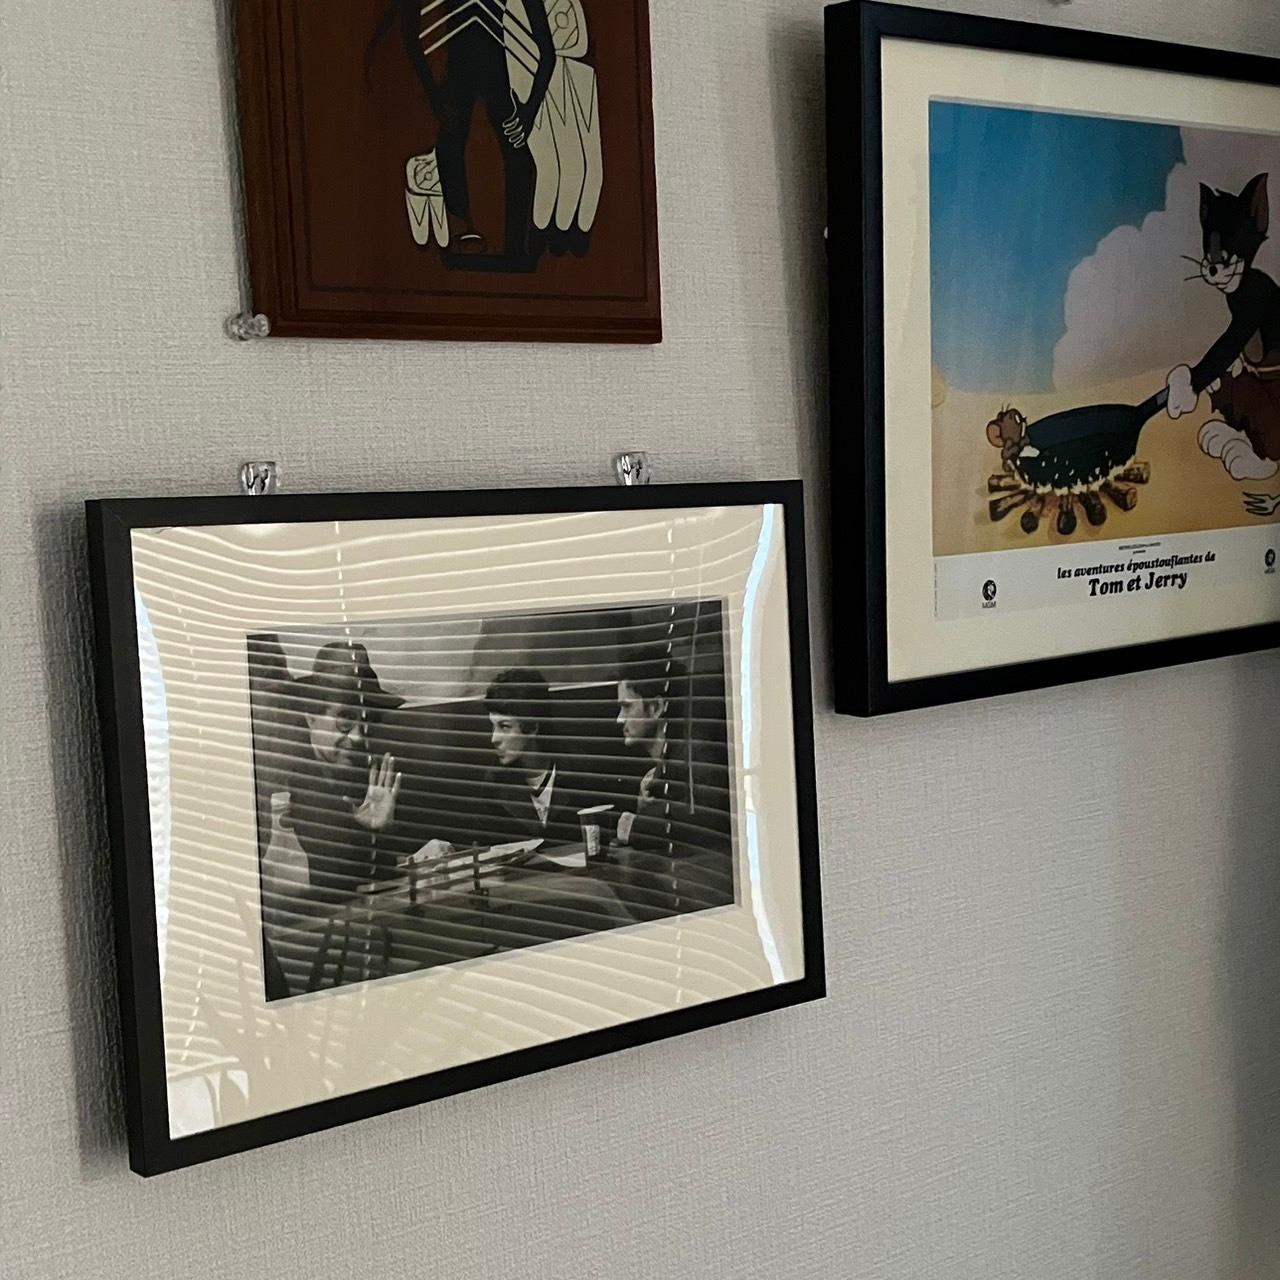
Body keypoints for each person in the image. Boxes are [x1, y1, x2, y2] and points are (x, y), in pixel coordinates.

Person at [275, 641, 408, 904]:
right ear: (311, 717)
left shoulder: (369, 780)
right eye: (345, 719)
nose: (358, 737)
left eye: (366, 721)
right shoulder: (284, 783)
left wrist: (380, 832)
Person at [614, 646, 732, 861]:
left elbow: (710, 816)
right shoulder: (667, 765)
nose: (619, 719)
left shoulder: (697, 753)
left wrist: (636, 825)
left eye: (627, 707)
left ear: (656, 708)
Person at [475, 668, 586, 846]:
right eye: (493, 727)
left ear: (533, 727)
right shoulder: (495, 782)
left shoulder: (580, 771)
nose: (494, 738)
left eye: (504, 727)